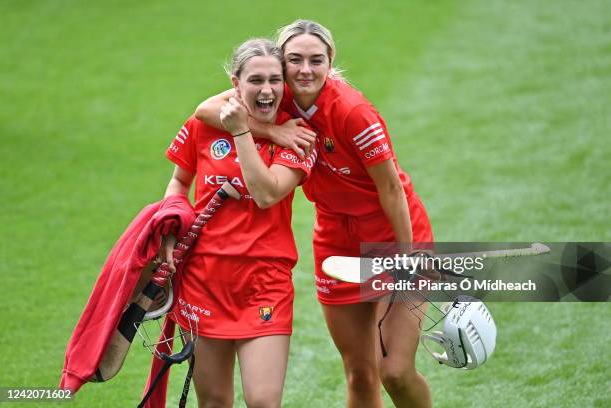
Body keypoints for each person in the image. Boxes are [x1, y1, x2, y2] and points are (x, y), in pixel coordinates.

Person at [195, 20, 435, 408]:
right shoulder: (278, 96)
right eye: (295, 60)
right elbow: (206, 109)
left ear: (330, 61)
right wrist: (273, 132)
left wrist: (407, 258)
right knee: (359, 371)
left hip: (394, 237)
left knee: (393, 371)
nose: (305, 69)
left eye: (315, 60)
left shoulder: (353, 112)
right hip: (335, 241)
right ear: (282, 64)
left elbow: (392, 189)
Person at [161, 38, 315, 408]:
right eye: (255, 80)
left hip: (264, 283)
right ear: (236, 83)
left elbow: (266, 194)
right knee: (213, 402)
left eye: (275, 81)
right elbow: (180, 182)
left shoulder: (298, 136)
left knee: (263, 401)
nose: (267, 90)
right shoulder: (203, 126)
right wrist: (168, 230)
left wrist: (244, 132)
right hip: (204, 279)